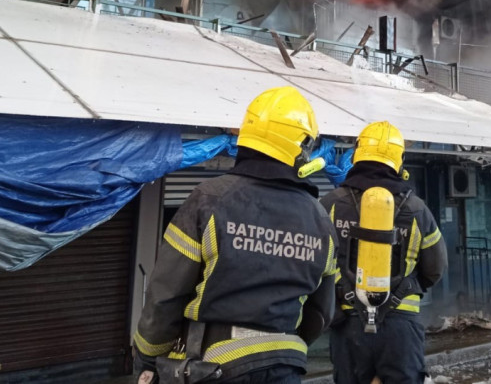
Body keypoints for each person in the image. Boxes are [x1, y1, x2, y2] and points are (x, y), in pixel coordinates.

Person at [134, 86, 338, 384]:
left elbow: (167, 292)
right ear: (303, 147)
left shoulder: (209, 199)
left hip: (214, 367)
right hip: (286, 366)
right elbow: (322, 311)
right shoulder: (320, 218)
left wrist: (148, 357)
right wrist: (282, 348)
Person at [320, 121, 448, 384]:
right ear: (398, 160)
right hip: (400, 326)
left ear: (357, 154)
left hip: (347, 324)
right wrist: (407, 287)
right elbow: (435, 268)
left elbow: (312, 263)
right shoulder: (417, 209)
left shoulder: (330, 204)